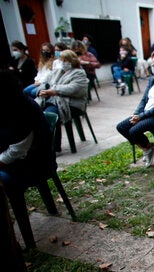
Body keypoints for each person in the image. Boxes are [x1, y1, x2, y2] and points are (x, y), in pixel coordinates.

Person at [0, 69, 56, 226]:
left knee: (4, 179)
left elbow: (17, 150)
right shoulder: (7, 107)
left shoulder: (21, 109)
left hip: (33, 164)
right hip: (17, 160)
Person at [116, 51, 154, 168]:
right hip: (146, 114)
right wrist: (136, 114)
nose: (153, 66)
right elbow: (144, 99)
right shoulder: (152, 79)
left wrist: (141, 117)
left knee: (133, 131)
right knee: (121, 127)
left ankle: (148, 149)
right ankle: (148, 148)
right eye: (153, 63)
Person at [37, 50, 88, 152]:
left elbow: (74, 89)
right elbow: (47, 82)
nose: (62, 62)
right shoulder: (58, 71)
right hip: (55, 101)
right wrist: (44, 90)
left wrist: (55, 91)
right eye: (61, 60)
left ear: (71, 61)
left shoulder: (79, 73)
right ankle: (53, 145)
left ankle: (52, 147)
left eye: (65, 60)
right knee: (37, 112)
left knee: (49, 116)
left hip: (71, 103)